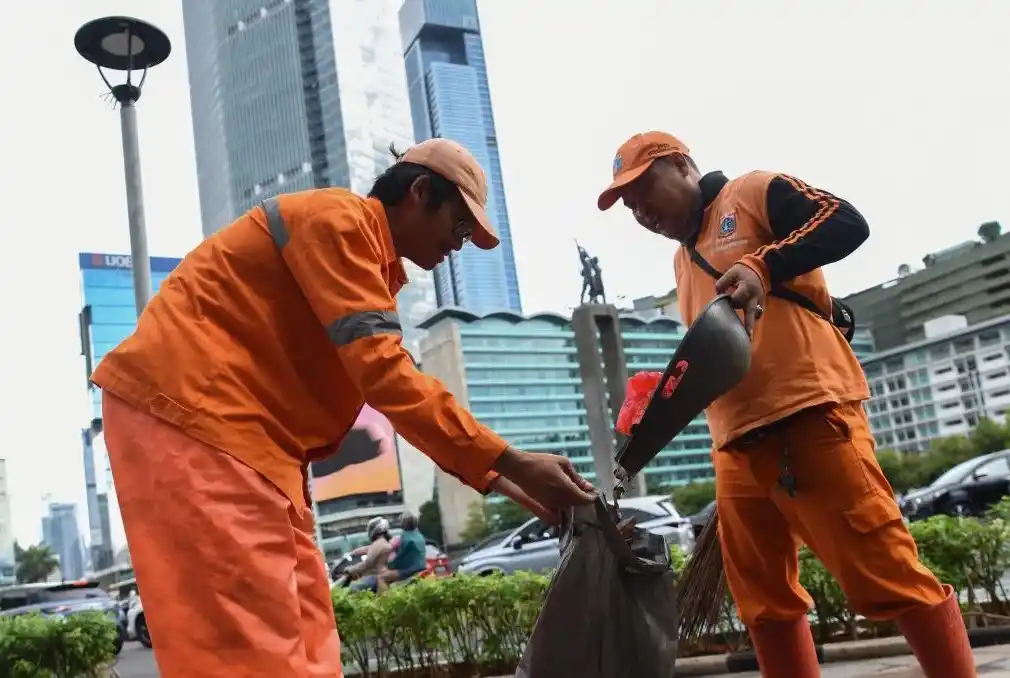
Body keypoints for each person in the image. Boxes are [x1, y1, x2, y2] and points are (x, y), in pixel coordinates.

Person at [92, 137, 596, 678]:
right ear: (419, 191)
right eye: (460, 226)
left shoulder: (366, 263)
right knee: (251, 654)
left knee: (311, 638)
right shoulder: (339, 223)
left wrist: (500, 475)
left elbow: (387, 376)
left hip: (251, 446)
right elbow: (386, 375)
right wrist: (510, 461)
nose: (460, 244)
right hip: (192, 421)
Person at [597, 131, 975, 678]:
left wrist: (763, 265)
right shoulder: (682, 263)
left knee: (889, 575)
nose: (641, 212)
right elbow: (727, 350)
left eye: (644, 192)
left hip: (809, 418)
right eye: (630, 206)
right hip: (735, 447)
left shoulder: (751, 193)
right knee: (764, 605)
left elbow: (846, 221)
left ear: (681, 165)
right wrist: (667, 393)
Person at [377, 512, 428, 593]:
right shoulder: (419, 535)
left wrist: (390, 565)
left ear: (403, 523)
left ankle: (388, 599)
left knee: (381, 577)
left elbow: (401, 557)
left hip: (410, 569)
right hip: (422, 566)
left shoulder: (405, 537)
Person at [347, 517, 394, 593]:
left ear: (375, 530)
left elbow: (367, 563)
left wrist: (351, 569)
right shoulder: (385, 542)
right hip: (385, 575)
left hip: (376, 576)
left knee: (352, 587)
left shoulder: (377, 543)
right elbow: (369, 549)